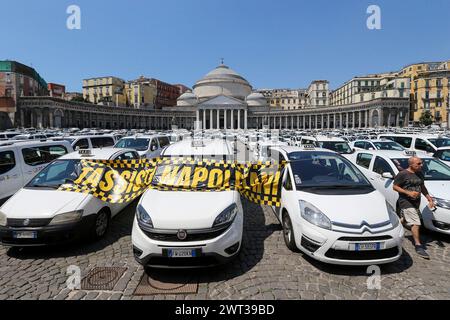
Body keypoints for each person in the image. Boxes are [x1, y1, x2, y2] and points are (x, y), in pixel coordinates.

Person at [393, 156, 435, 259]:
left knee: (407, 219)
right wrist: (408, 192)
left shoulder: (420, 173)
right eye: (418, 164)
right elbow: (395, 187)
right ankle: (418, 245)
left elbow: (422, 187)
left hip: (416, 202)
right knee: (416, 222)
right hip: (405, 201)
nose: (421, 165)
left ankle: (395, 225)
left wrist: (429, 198)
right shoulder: (403, 174)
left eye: (421, 163)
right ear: (411, 164)